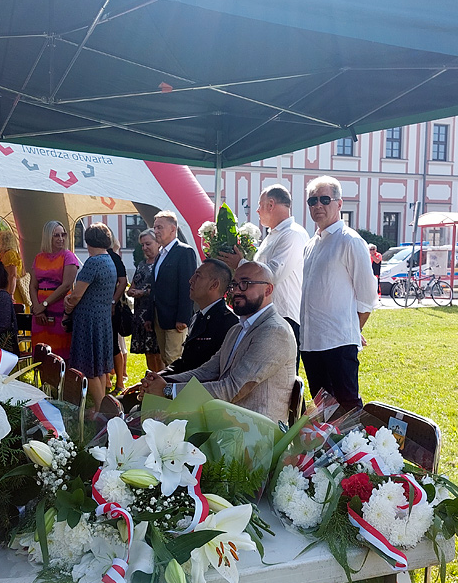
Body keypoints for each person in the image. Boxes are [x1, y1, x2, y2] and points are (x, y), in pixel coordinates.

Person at [139, 262, 297, 424]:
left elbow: (233, 389)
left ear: (268, 290)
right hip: (226, 423)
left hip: (257, 435)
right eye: (234, 284)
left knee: (157, 428)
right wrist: (159, 381)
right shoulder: (237, 329)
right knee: (147, 423)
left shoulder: (274, 331)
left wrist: (167, 390)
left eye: (245, 284)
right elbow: (206, 372)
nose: (236, 290)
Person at [300, 176, 378, 416]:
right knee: (323, 409)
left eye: (325, 199)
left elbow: (367, 297)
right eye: (312, 200)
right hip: (311, 342)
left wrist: (353, 330)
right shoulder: (311, 244)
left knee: (347, 409)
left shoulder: (350, 241)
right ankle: (328, 452)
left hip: (338, 343)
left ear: (339, 203)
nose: (318, 205)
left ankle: (355, 453)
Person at [217, 184, 309, 359]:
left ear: (271, 204)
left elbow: (273, 275)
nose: (257, 211)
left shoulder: (292, 234)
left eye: (260, 205)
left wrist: (241, 263)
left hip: (284, 316)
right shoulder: (273, 235)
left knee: (280, 377)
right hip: (266, 315)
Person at [65, 223, 116, 409]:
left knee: (89, 367)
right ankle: (101, 406)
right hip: (102, 319)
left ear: (88, 241)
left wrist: (67, 306)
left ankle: (104, 409)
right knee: (100, 366)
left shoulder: (93, 262)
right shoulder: (109, 260)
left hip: (88, 320)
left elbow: (77, 295)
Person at [162, 258, 237, 376]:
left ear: (214, 285)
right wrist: (157, 377)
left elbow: (214, 372)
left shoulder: (229, 323)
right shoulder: (198, 316)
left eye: (198, 276)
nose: (191, 280)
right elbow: (185, 361)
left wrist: (168, 383)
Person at [150, 210, 198, 366]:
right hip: (160, 316)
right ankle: (167, 390)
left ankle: (178, 390)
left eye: (160, 227)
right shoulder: (160, 254)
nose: (156, 231)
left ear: (173, 229)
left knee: (174, 358)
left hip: (175, 318)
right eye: (155, 227)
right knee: (165, 358)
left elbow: (187, 287)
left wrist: (183, 318)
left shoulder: (184, 252)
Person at [29, 220, 80, 360]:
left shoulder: (68, 256)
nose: (61, 239)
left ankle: (63, 381)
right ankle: (42, 380)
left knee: (60, 352)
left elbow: (66, 286)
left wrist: (44, 305)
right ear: (48, 237)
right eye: (56, 235)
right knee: (41, 350)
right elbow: (33, 285)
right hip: (40, 312)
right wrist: (37, 308)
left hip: (59, 309)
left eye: (63, 235)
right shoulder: (39, 257)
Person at [127, 228, 163, 372]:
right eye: (142, 245)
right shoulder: (142, 264)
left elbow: (162, 288)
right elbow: (133, 285)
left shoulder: (161, 263)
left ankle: (160, 381)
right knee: (148, 351)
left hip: (154, 312)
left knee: (158, 352)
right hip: (140, 313)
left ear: (157, 243)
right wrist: (132, 291)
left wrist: (144, 292)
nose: (144, 248)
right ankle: (152, 379)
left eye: (148, 244)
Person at [107, 234, 129, 393]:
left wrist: (113, 301)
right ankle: (107, 380)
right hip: (101, 308)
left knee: (114, 345)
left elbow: (123, 281)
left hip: (111, 309)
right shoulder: (98, 256)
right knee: (105, 346)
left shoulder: (114, 257)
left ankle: (120, 381)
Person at [0, 228, 30, 308]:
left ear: (4, 241)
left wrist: (11, 294)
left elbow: (12, 275)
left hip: (12, 291)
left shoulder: (9, 254)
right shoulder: (3, 254)